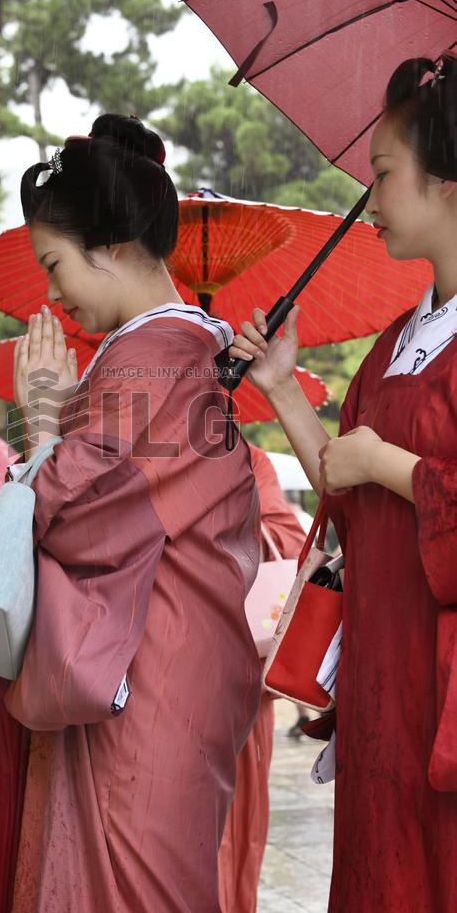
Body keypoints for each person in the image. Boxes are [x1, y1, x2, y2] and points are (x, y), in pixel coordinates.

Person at [3, 114, 261, 912]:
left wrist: (42, 423)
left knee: (135, 884)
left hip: (147, 668)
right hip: (171, 654)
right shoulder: (174, 352)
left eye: (54, 265)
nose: (51, 293)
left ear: (111, 248)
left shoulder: (154, 359)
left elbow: (82, 517)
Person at [230, 54, 457, 911]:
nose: (371, 202)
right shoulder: (400, 338)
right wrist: (283, 385)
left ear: (446, 178)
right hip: (381, 671)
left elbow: (372, 469)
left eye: (384, 175)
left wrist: (391, 466)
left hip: (442, 680)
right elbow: (341, 488)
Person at [218, 445, 307, 913]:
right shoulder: (119, 452)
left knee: (234, 828)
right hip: (151, 675)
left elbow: (289, 541)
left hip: (237, 673)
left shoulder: (247, 460)